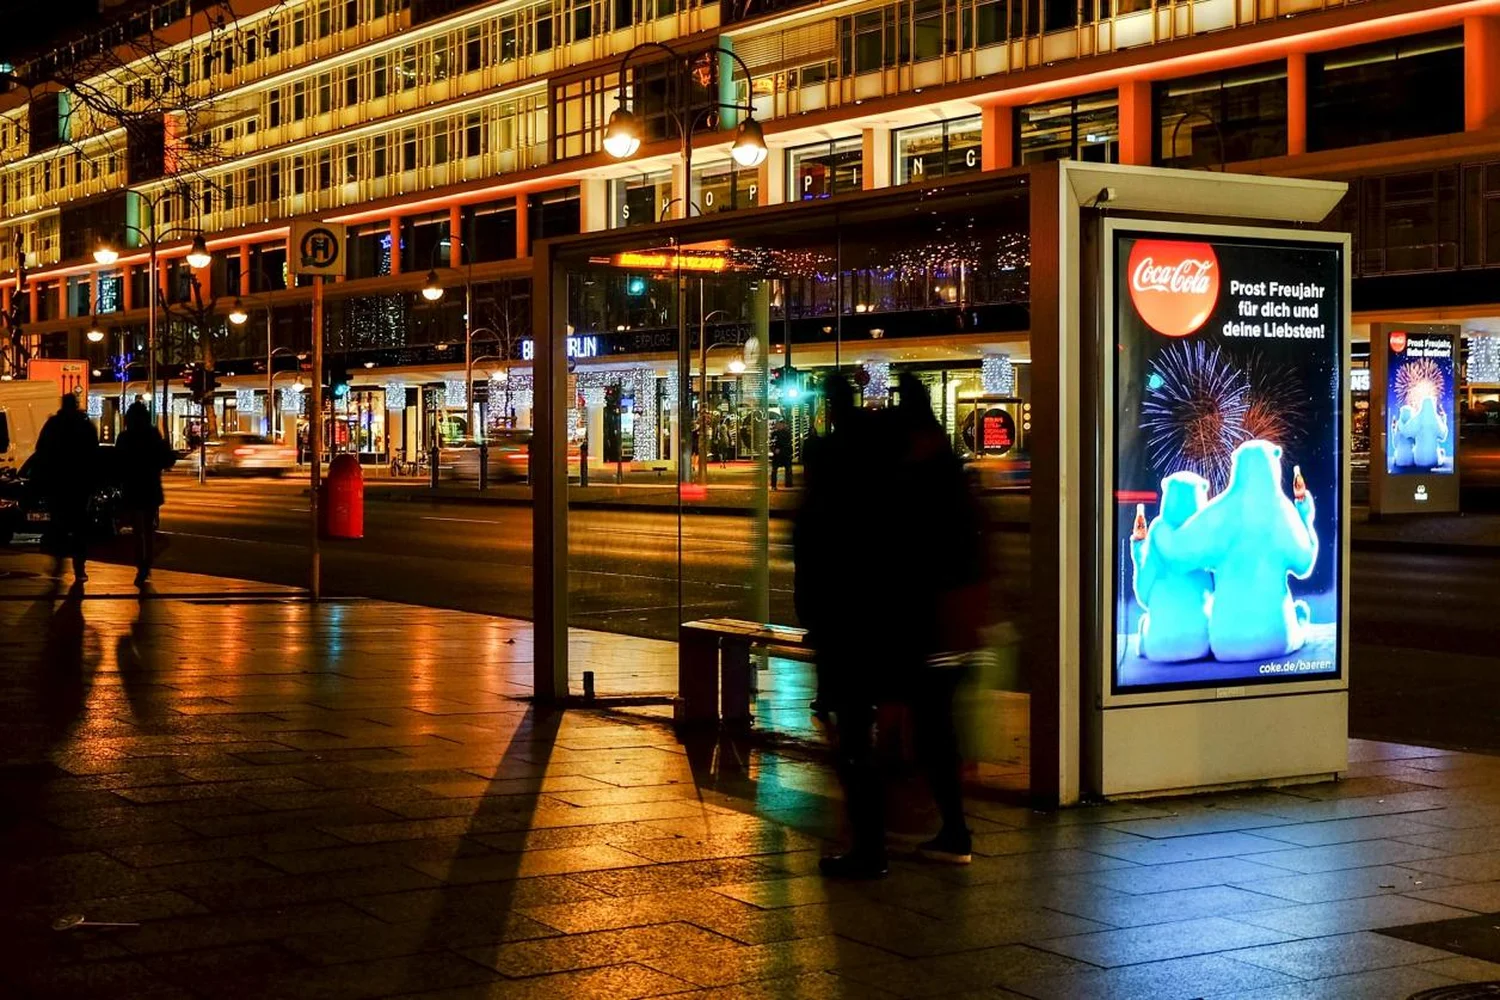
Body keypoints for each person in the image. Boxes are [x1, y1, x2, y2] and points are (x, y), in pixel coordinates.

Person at [798, 373, 985, 879]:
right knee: (933, 727)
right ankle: (951, 832)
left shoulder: (845, 474)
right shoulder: (931, 474)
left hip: (861, 623)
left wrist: (816, 616)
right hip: (919, 624)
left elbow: (819, 552)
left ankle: (869, 847)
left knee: (857, 732)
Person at [33, 393, 100, 584]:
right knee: (79, 527)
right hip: (79, 484)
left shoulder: (53, 425)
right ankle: (79, 567)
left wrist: (41, 480)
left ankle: (58, 561)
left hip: (58, 483)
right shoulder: (85, 426)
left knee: (58, 523)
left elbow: (42, 452)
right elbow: (93, 455)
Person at [115, 401, 176, 586]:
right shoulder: (152, 435)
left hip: (132, 487)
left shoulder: (125, 437)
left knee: (137, 530)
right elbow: (165, 459)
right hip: (150, 487)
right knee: (148, 530)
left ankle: (141, 565)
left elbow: (117, 462)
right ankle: (146, 565)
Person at [770, 419, 794, 489]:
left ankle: (775, 485)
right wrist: (774, 449)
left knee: (776, 470)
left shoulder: (778, 433)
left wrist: (774, 449)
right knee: (786, 469)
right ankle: (777, 485)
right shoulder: (786, 433)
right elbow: (788, 444)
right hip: (783, 454)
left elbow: (772, 443)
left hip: (781, 454)